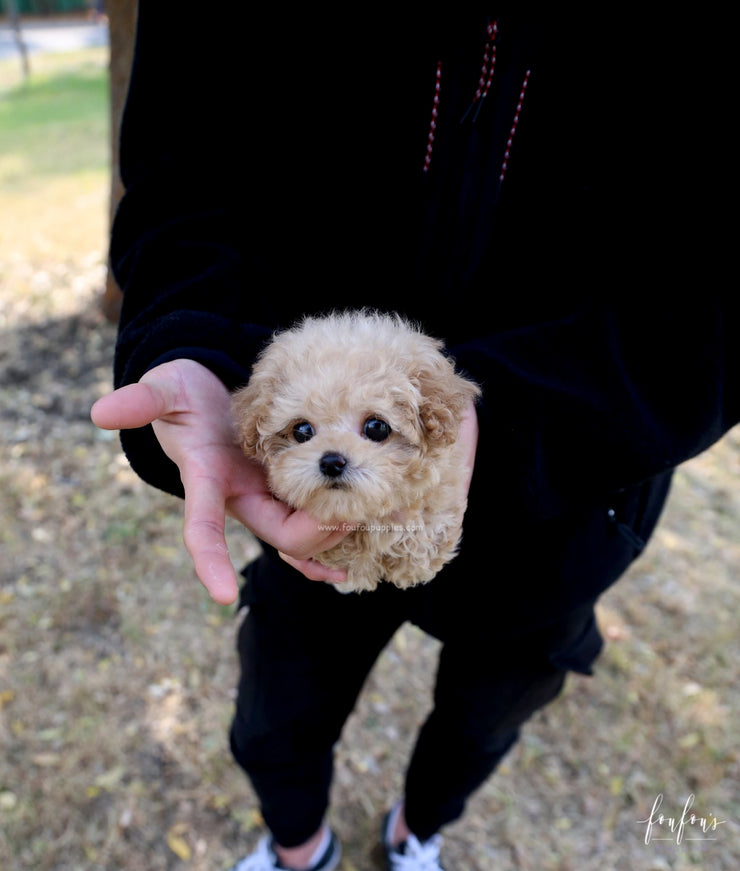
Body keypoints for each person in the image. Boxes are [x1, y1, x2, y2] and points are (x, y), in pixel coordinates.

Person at [91, 5, 737, 870]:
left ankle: (418, 830)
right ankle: (298, 847)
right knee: (274, 714)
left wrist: (515, 420)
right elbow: (182, 168)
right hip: (309, 518)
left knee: (483, 720)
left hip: (571, 491)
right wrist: (192, 332)